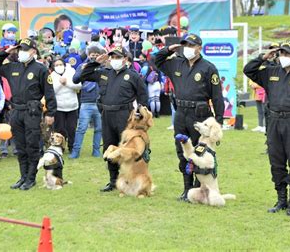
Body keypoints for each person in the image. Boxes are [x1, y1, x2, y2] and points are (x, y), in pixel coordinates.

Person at [244, 40, 290, 216]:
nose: (284, 56)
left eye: (287, 53)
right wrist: (264, 57)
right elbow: (248, 70)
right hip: (274, 121)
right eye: (281, 53)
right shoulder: (271, 71)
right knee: (276, 161)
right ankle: (281, 199)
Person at [155, 33, 224, 201]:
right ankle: (187, 189)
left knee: (200, 151)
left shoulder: (208, 68)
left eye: (191, 45)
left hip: (199, 115)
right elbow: (156, 61)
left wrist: (218, 122)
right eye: (185, 45)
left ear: (199, 48)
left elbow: (217, 97)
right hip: (180, 113)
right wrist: (168, 49)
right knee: (182, 151)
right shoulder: (176, 63)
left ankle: (199, 187)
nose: (187, 49)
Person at [78, 46, 148, 192]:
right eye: (112, 57)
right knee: (109, 146)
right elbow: (82, 76)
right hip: (106, 114)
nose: (114, 60)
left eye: (118, 57)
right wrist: (95, 63)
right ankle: (113, 181)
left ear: (125, 59)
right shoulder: (104, 73)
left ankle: (131, 178)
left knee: (127, 148)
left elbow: (143, 95)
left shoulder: (133, 75)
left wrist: (140, 113)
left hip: (125, 115)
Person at [0, 38, 56, 190]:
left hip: (32, 112)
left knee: (32, 145)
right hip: (16, 112)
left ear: (33, 51)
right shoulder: (12, 66)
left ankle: (30, 178)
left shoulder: (41, 69)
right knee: (20, 146)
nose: (21, 52)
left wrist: (50, 112)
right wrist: (5, 52)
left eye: (25, 49)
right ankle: (23, 177)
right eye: (20, 49)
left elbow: (49, 92)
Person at [71, 46, 104, 159]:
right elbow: (75, 79)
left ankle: (96, 151)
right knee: (81, 128)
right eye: (92, 53)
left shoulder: (103, 67)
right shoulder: (82, 66)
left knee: (99, 128)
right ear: (88, 54)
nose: (94, 56)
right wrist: (84, 70)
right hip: (86, 102)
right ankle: (75, 152)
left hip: (100, 102)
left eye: (96, 53)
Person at [51, 58, 82, 153]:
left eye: (60, 64)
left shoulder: (71, 72)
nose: (59, 66)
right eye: (56, 65)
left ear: (64, 65)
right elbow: (52, 91)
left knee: (71, 128)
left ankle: (72, 146)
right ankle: (60, 147)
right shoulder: (51, 75)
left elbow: (78, 86)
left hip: (72, 106)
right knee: (59, 129)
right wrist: (60, 84)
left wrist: (67, 83)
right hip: (59, 107)